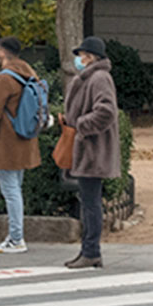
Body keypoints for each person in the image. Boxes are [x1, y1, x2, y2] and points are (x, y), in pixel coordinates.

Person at [0, 37, 44, 254]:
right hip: (25, 137)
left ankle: (16, 238)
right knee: (16, 188)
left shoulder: (3, 78)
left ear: (2, 52)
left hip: (6, 141)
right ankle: (16, 236)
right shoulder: (28, 73)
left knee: (10, 191)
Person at [62, 36, 120, 269]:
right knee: (88, 201)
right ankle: (88, 250)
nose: (78, 59)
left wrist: (81, 127)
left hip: (92, 150)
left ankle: (91, 251)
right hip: (90, 149)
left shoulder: (98, 78)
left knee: (91, 203)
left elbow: (106, 111)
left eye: (81, 55)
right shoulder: (93, 77)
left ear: (90, 57)